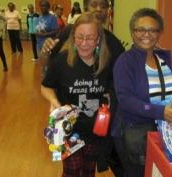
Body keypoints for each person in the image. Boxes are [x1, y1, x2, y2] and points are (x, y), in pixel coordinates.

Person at [40, 1, 125, 176]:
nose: (84, 43)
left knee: (88, 170)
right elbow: (46, 86)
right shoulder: (62, 61)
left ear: (98, 39)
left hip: (95, 129)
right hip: (69, 128)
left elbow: (115, 86)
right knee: (72, 169)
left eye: (90, 38)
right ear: (73, 37)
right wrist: (55, 103)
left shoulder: (107, 62)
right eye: (79, 37)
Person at [112, 8, 172, 177]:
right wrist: (160, 112)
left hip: (166, 134)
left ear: (159, 33)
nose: (147, 34)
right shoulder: (125, 61)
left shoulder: (163, 59)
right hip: (136, 135)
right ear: (132, 32)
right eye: (141, 29)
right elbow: (125, 99)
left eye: (153, 30)